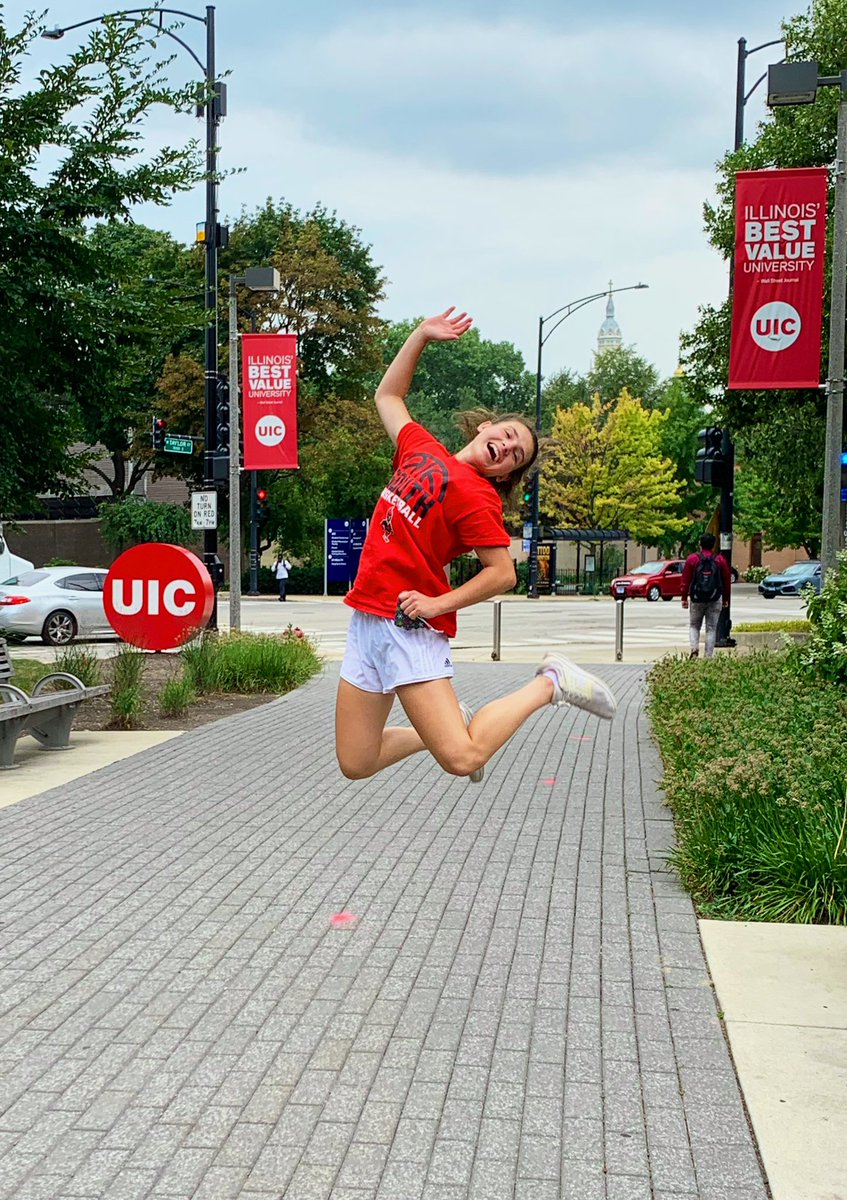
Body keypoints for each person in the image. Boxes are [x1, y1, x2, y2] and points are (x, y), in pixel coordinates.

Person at [335, 307, 617, 786]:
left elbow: (503, 573)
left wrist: (437, 604)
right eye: (506, 435)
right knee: (357, 760)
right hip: (367, 617)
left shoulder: (478, 496)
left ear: (505, 475)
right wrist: (420, 335)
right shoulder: (421, 449)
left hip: (408, 625)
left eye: (515, 456)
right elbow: (388, 395)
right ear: (484, 427)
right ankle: (450, 723)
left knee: (463, 757)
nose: (506, 447)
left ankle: (551, 683)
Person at [680, 532, 731, 659]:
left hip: (697, 598)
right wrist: (725, 599)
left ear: (700, 544)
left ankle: (694, 648)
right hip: (715, 598)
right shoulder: (720, 560)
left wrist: (684, 598)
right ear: (713, 545)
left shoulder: (692, 559)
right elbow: (726, 581)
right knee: (711, 628)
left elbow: (685, 580)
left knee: (694, 625)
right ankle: (708, 656)